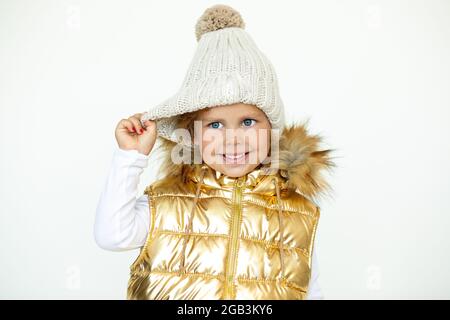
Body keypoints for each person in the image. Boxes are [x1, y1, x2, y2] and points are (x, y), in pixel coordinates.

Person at [95, 4, 335, 300]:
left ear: (271, 128)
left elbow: (310, 290)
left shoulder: (299, 212)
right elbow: (111, 235)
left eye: (248, 122)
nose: (232, 140)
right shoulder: (168, 201)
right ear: (193, 134)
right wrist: (130, 158)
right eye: (216, 125)